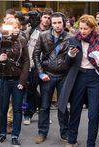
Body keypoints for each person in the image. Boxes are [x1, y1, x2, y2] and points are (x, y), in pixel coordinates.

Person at [58, 15, 99, 147]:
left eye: (85, 28)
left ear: (93, 28)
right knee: (75, 110)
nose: (82, 31)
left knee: (94, 114)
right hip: (78, 76)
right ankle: (71, 140)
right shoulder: (73, 39)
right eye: (80, 28)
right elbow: (66, 63)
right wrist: (70, 55)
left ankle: (90, 143)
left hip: (95, 78)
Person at [33, 12, 71, 144]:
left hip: (64, 75)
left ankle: (65, 132)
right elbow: (36, 54)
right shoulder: (43, 36)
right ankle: (42, 132)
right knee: (44, 106)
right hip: (47, 74)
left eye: (59, 22)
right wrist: (40, 72)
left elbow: (74, 59)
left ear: (64, 22)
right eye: (54, 23)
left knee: (62, 106)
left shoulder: (70, 37)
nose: (57, 25)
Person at [0, 19, 29, 146]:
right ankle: (2, 134)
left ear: (18, 28)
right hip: (3, 78)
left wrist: (22, 81)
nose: (12, 29)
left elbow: (26, 62)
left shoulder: (22, 40)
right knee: (2, 108)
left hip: (17, 79)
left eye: (14, 27)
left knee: (17, 109)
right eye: (9, 27)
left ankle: (15, 135)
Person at [24, 8, 53, 125]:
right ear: (41, 17)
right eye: (45, 17)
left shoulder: (52, 32)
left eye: (49, 18)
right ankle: (28, 114)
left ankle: (44, 115)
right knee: (31, 91)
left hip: (47, 66)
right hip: (33, 65)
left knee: (46, 92)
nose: (47, 20)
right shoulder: (32, 31)